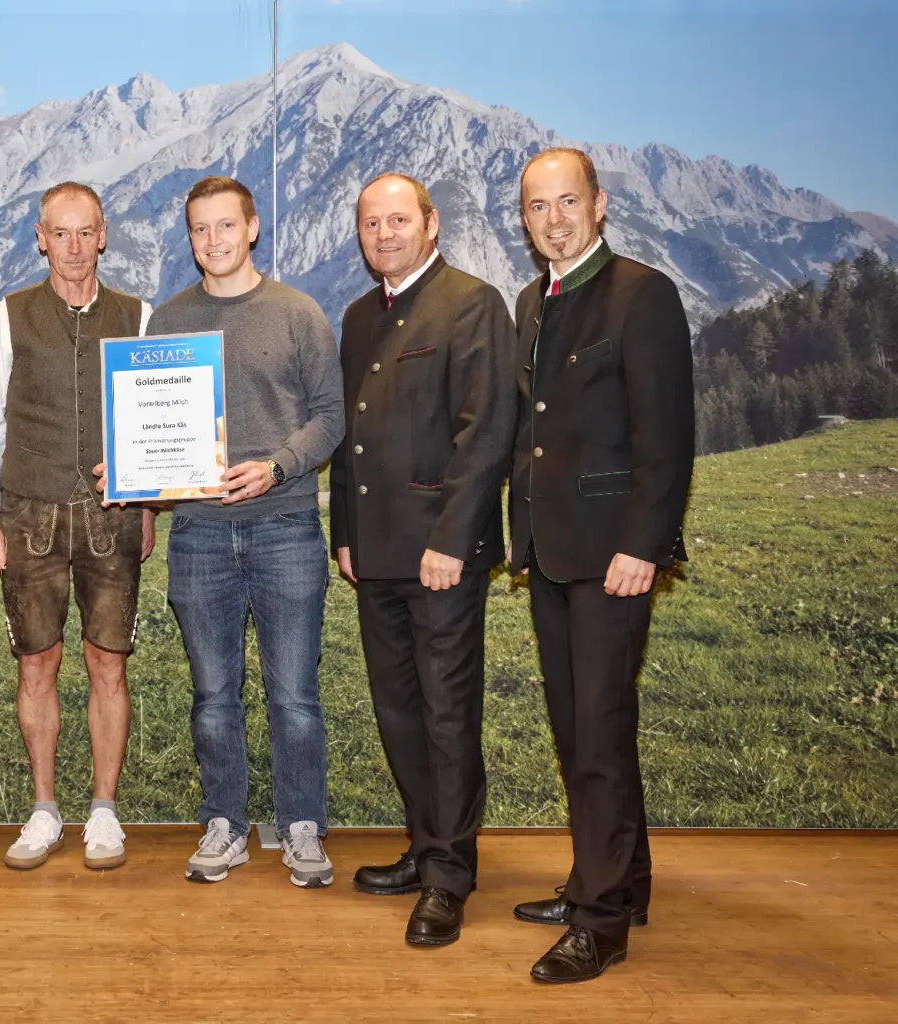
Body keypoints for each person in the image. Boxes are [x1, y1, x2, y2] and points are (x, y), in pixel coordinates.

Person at [116, 176, 344, 887]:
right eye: (198, 229)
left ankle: (301, 826)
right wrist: (131, 466)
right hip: (200, 536)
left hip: (285, 526)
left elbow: (332, 416)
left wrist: (276, 468)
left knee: (295, 696)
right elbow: (151, 422)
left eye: (224, 226)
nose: (211, 241)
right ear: (190, 238)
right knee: (212, 694)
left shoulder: (297, 312)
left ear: (252, 230)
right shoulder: (170, 320)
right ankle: (224, 823)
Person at [508, 148, 694, 983]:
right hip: (551, 554)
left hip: (614, 555)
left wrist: (643, 545)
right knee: (583, 730)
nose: (553, 219)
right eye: (537, 208)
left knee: (599, 739)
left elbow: (667, 438)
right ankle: (616, 878)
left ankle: (601, 921)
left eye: (566, 202)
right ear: (525, 219)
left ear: (600, 203)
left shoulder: (642, 294)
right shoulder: (532, 301)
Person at [332, 174, 516, 944]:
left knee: (446, 714)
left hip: (441, 554)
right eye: (372, 223)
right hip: (373, 553)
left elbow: (488, 431)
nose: (385, 233)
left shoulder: (473, 303)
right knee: (399, 711)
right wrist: (343, 529)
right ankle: (422, 843)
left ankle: (449, 874)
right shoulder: (357, 316)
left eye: (398, 219)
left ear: (431, 223)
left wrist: (452, 538)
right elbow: (350, 437)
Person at [0, 182, 155, 871]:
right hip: (28, 511)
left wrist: (145, 502)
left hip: (111, 517)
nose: (73, 248)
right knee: (37, 661)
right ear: (40, 238)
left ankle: (104, 812)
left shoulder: (139, 316)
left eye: (86, 233)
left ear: (103, 236)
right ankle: (44, 809)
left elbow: (154, 418)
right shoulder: (7, 315)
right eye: (60, 233)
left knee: (108, 661)